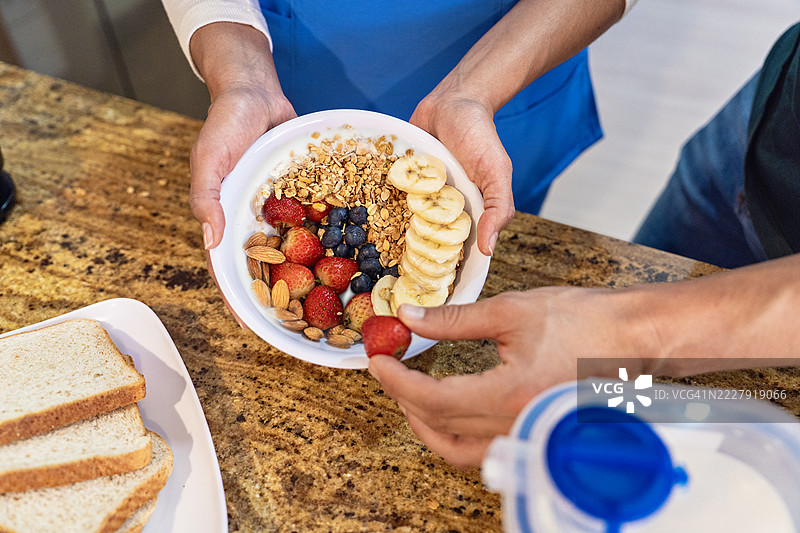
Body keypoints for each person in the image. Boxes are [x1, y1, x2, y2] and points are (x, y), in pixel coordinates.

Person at [368, 21, 800, 468]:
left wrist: (636, 335)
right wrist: (466, 91)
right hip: (774, 118)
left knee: (738, 420)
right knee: (658, 269)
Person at [162, 0, 638, 257]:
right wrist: (243, 77)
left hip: (509, 69)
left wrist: (473, 92)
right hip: (292, 65)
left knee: (474, 240)